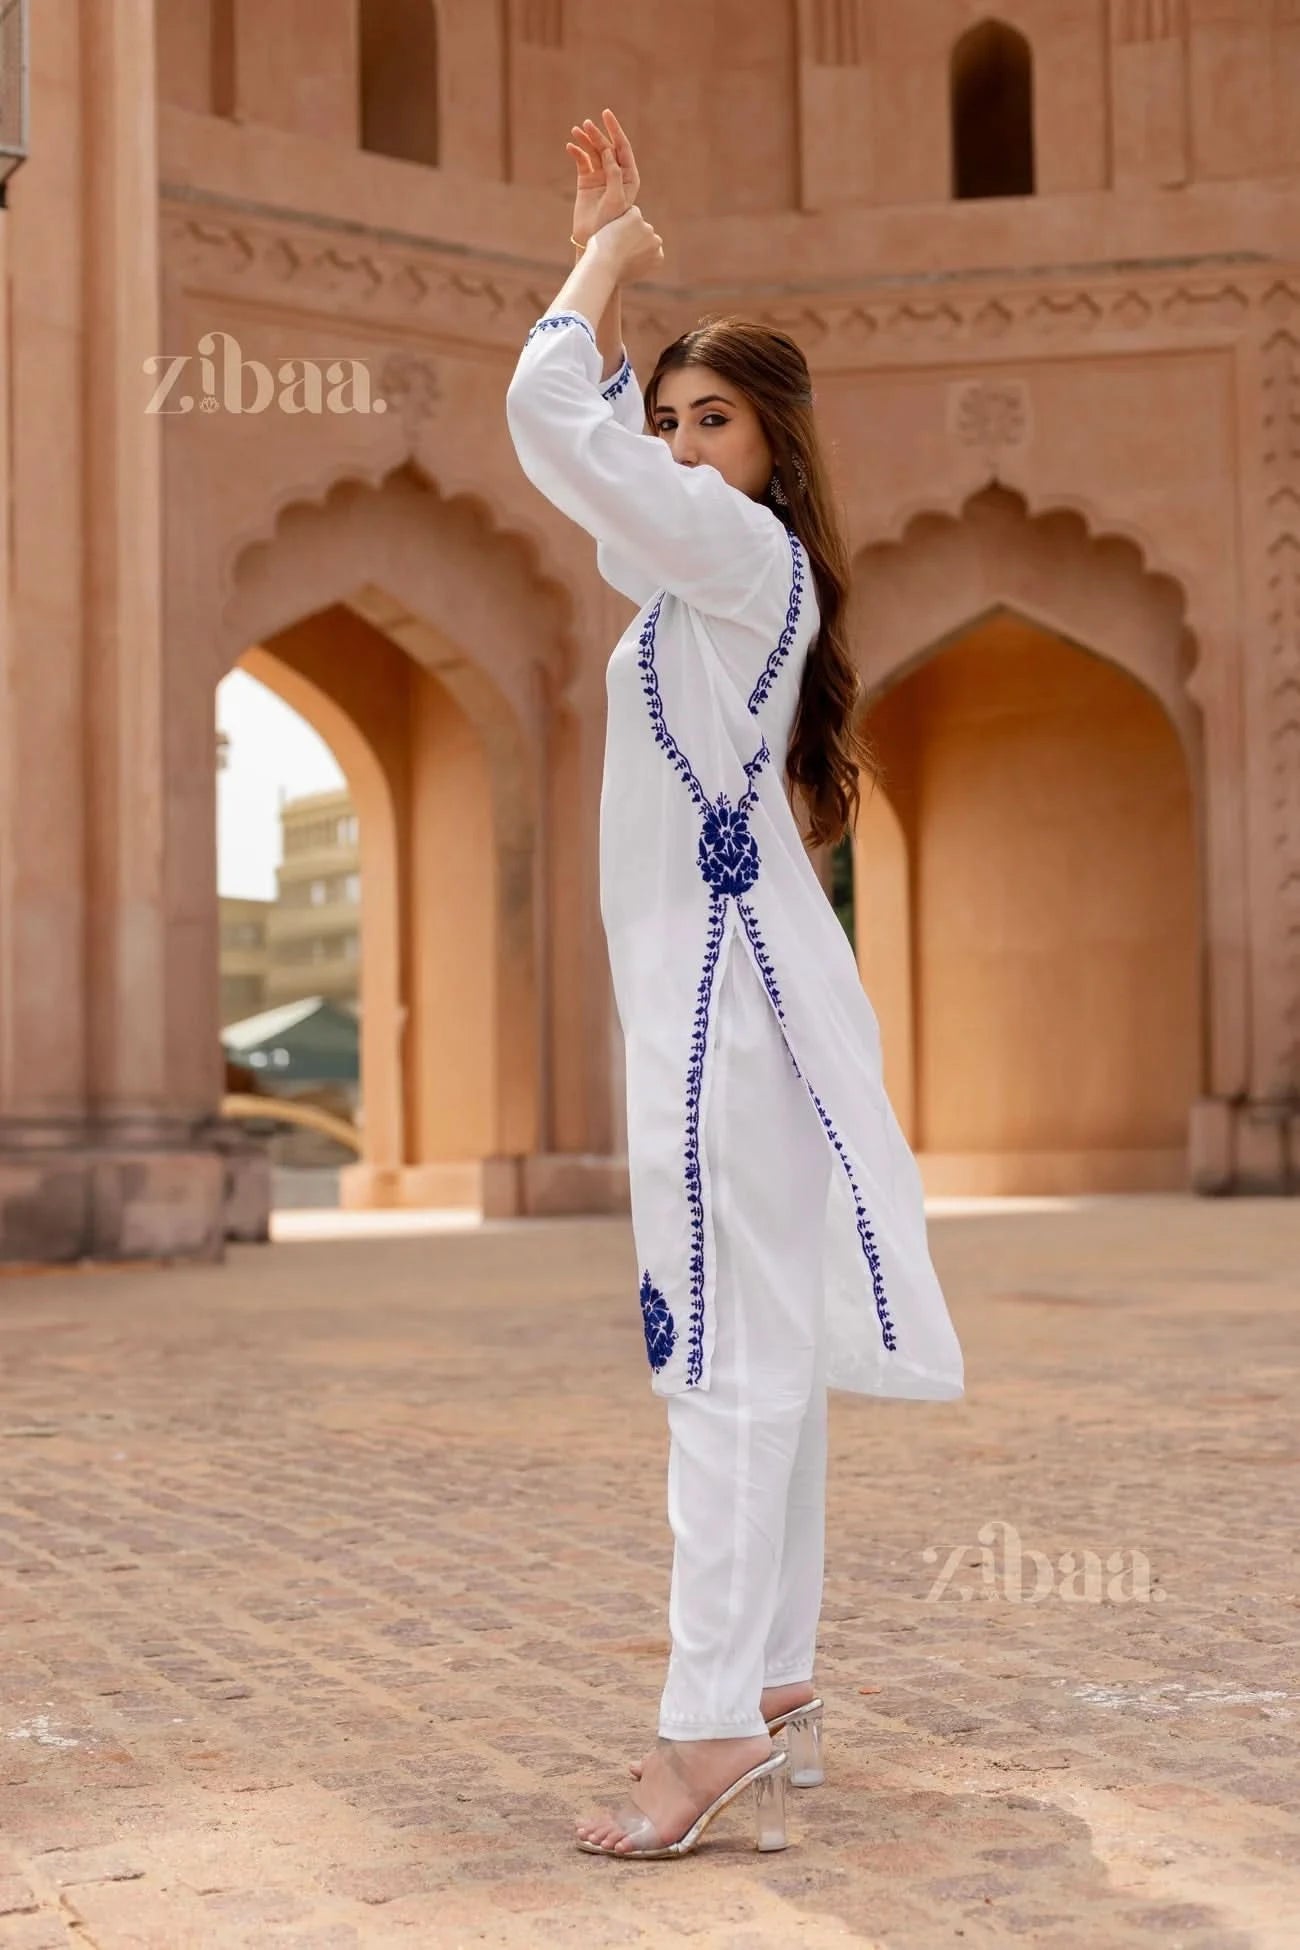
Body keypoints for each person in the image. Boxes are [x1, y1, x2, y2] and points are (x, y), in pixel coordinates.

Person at [505, 111, 965, 1862]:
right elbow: (598, 475)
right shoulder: (709, 573)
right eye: (670, 421)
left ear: (775, 449)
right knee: (758, 1341)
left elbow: (545, 425)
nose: (681, 447)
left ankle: (699, 1726)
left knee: (712, 1346)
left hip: (716, 1018)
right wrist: (620, 330)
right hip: (736, 1001)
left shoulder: (734, 557)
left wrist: (611, 255)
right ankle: (769, 1682)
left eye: (716, 422)